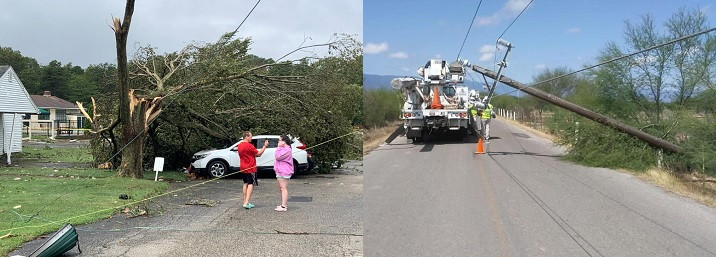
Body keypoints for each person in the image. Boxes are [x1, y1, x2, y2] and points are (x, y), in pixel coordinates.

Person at [238, 131, 268, 209]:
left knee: (245, 183)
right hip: (250, 167)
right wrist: (264, 146)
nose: (251, 138)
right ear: (246, 137)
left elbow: (251, 154)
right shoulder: (249, 145)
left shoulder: (240, 145)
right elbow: (258, 154)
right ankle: (246, 202)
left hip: (242, 166)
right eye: (251, 137)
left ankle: (245, 201)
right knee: (251, 184)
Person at [273, 135, 294, 212]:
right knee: (280, 188)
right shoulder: (283, 148)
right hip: (279, 170)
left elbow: (278, 156)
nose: (278, 142)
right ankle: (283, 203)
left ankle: (283, 206)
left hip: (284, 171)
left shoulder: (287, 149)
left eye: (279, 140)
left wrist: (278, 147)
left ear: (284, 141)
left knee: (283, 188)